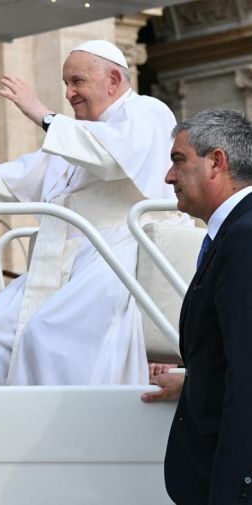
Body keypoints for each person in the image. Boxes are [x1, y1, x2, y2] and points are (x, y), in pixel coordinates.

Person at [0, 40, 179, 385]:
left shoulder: (147, 111)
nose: (69, 93)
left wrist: (43, 115)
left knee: (46, 336)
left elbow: (112, 159)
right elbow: (19, 175)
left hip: (117, 254)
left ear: (113, 79)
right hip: (62, 257)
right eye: (66, 83)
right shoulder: (75, 132)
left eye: (77, 82)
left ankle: (58, 432)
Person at [140, 109, 252, 504]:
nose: (169, 177)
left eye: (178, 160)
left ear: (216, 162)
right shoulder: (237, 232)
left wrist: (235, 489)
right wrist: (196, 378)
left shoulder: (244, 239)